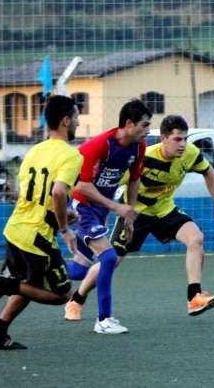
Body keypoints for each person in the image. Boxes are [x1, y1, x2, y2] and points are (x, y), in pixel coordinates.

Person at [64, 114, 214, 321]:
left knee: (195, 238)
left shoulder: (190, 154)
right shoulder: (146, 158)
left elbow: (209, 173)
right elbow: (114, 185)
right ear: (163, 139)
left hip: (164, 210)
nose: (183, 144)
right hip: (136, 215)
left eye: (185, 139)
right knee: (112, 261)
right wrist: (111, 213)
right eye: (177, 139)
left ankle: (194, 297)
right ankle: (76, 300)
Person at [0, 95, 83, 350]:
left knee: (29, 286)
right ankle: (4, 285)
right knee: (62, 296)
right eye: (77, 117)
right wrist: (65, 229)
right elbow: (57, 192)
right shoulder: (71, 155)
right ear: (66, 120)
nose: (79, 122)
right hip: (37, 236)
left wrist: (63, 214)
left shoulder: (33, 151)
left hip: (16, 228)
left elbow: (33, 196)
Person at [63, 99, 152, 334]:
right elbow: (82, 186)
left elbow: (134, 180)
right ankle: (104, 320)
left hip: (99, 209)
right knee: (110, 258)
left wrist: (128, 216)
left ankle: (32, 271)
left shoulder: (138, 146)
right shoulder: (99, 145)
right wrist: (116, 207)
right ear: (129, 124)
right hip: (82, 207)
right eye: (144, 125)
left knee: (80, 270)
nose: (148, 130)